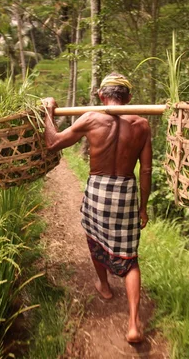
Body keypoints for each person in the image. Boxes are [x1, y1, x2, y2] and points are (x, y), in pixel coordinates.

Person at [42, 72, 152, 343]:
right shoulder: (142, 124)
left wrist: (48, 111)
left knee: (95, 239)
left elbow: (53, 142)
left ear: (102, 96)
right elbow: (147, 170)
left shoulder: (90, 118)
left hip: (98, 190)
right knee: (129, 257)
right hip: (126, 191)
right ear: (129, 98)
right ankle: (134, 324)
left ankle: (104, 286)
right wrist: (143, 207)